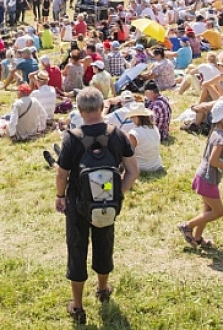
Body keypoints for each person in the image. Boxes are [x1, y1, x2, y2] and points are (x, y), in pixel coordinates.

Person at [55, 87, 138, 324]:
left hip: (77, 204)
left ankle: (78, 306)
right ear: (103, 107)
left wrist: (60, 196)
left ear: (79, 110)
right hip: (106, 204)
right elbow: (133, 171)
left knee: (76, 249)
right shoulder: (117, 134)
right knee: (104, 243)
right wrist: (115, 194)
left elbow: (62, 174)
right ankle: (102, 289)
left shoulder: (72, 137)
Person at [178, 100, 223, 249]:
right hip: (207, 179)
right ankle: (187, 226)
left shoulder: (219, 133)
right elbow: (213, 160)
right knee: (217, 212)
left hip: (205, 177)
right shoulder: (220, 138)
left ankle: (197, 238)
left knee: (207, 211)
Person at [125, 103, 163, 174]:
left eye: (131, 117)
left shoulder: (134, 133)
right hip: (156, 165)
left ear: (136, 117)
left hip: (141, 167)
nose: (131, 119)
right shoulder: (154, 128)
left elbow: (129, 153)